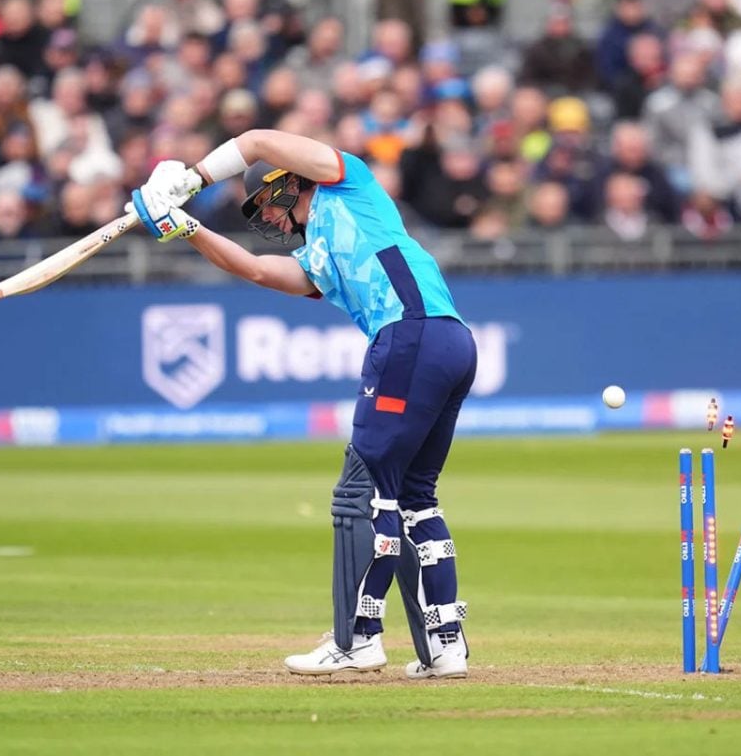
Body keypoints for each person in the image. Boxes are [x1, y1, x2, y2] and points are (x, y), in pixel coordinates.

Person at [126, 130, 477, 679]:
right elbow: (258, 269)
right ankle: (445, 644)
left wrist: (191, 179)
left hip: (407, 336)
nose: (269, 218)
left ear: (287, 184)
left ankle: (357, 639)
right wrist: (186, 226)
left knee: (360, 495)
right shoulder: (317, 256)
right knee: (415, 498)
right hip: (452, 342)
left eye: (267, 202)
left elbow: (258, 139)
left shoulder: (348, 181)